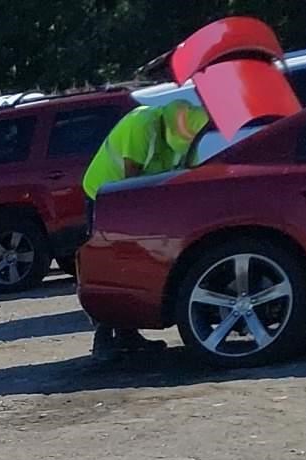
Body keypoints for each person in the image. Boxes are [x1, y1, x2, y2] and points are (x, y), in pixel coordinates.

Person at [82, 97, 210, 361]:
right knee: (110, 265)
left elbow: (187, 177)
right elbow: (130, 186)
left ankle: (128, 335)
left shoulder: (190, 137)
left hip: (133, 195)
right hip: (104, 194)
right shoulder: (141, 124)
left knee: (131, 267)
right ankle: (103, 338)